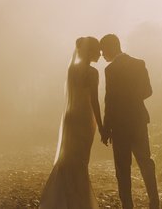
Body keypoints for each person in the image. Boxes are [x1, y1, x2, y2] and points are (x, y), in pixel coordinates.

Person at [39, 36, 104, 209]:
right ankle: (79, 202)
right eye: (97, 50)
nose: (100, 54)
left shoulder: (72, 70)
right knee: (80, 162)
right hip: (83, 119)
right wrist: (102, 126)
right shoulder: (92, 73)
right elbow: (94, 101)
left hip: (70, 118)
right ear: (90, 51)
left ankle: (63, 199)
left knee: (67, 160)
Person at [99, 33, 160, 209]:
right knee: (146, 162)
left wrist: (105, 128)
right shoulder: (139, 64)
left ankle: (127, 205)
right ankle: (155, 203)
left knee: (122, 168)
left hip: (119, 125)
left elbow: (109, 100)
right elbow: (148, 91)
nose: (102, 55)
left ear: (112, 48)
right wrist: (133, 97)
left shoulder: (110, 70)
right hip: (138, 121)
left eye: (103, 51)